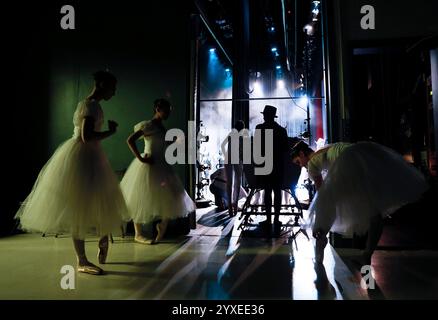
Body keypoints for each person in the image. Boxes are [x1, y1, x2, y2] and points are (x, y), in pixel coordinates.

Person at [15, 70, 129, 275]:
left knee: (97, 200)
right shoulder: (91, 105)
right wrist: (110, 132)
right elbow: (86, 136)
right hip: (83, 157)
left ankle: (102, 238)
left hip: (91, 156)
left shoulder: (92, 105)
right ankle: (82, 260)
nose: (114, 92)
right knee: (80, 207)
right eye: (113, 87)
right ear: (102, 85)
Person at [291, 140, 429, 265]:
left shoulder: (312, 164)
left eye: (298, 162)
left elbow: (322, 196)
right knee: (374, 214)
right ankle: (366, 254)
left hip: (350, 164)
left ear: (302, 154)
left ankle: (321, 235)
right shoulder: (325, 149)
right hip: (362, 157)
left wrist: (318, 223)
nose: (301, 166)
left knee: (330, 201)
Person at [121, 98, 196, 245]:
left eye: (170, 111)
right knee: (140, 197)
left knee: (174, 194)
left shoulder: (162, 127)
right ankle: (138, 233)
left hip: (161, 164)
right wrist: (141, 159)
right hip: (148, 163)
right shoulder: (148, 125)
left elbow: (163, 144)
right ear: (157, 109)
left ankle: (163, 224)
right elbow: (130, 140)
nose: (168, 113)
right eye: (166, 110)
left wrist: (178, 141)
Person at [255, 105, 288, 234]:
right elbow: (286, 150)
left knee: (267, 192)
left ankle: (268, 219)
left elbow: (257, 150)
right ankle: (277, 219)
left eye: (264, 114)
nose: (263, 116)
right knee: (277, 192)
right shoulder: (281, 130)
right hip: (278, 165)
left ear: (266, 115)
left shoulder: (259, 128)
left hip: (264, 164)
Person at [221, 120, 248, 216]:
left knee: (229, 183)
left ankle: (230, 208)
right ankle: (235, 206)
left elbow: (223, 145)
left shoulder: (231, 134)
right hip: (237, 159)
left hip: (228, 157)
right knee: (237, 183)